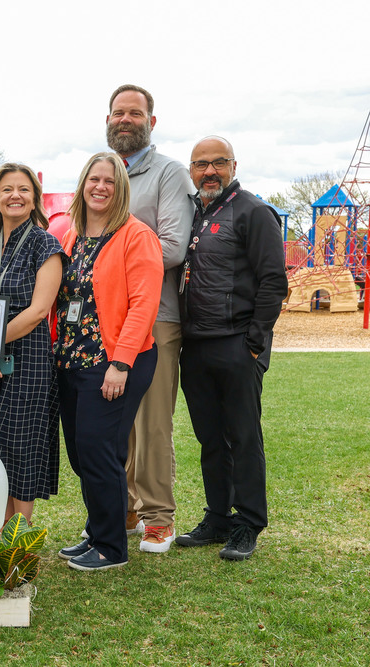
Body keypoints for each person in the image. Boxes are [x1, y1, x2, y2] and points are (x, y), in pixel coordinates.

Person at [175, 136, 288, 561]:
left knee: (242, 436)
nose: (210, 172)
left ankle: (248, 523)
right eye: (201, 164)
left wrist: (255, 343)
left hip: (238, 343)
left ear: (234, 165)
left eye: (218, 163)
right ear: (191, 170)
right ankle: (218, 517)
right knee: (209, 439)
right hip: (196, 346)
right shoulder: (193, 213)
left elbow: (274, 280)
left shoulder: (254, 211)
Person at [55, 152, 163, 571]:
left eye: (110, 182)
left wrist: (121, 364)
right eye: (94, 179)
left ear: (121, 189)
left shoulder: (137, 236)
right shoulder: (72, 235)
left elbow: (143, 305)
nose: (100, 187)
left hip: (114, 362)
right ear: (83, 184)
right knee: (84, 455)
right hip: (72, 360)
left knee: (100, 451)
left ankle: (112, 546)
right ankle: (99, 530)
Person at [106, 84, 195, 553]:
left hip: (156, 317)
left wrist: (109, 265)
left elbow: (173, 248)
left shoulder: (169, 174)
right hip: (106, 322)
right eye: (118, 112)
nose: (125, 119)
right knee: (114, 421)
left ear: (151, 122)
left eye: (134, 113)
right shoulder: (103, 174)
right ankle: (122, 510)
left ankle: (159, 517)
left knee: (152, 424)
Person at [0, 163, 64, 525]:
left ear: (34, 197)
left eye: (23, 189)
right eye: (7, 189)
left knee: (19, 442)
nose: (15, 195)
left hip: (28, 355)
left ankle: (19, 531)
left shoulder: (45, 243)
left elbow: (38, 310)